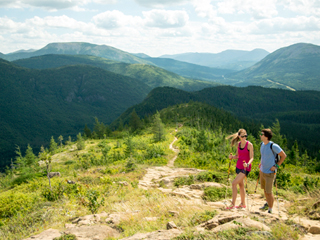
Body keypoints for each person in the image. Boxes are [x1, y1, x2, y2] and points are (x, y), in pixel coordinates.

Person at [259, 129, 287, 214]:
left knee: (269, 191)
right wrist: (261, 163)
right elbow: (263, 156)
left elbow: (283, 156)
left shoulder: (273, 146)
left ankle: (270, 209)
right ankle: (268, 203)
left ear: (266, 137)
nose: (260, 135)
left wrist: (276, 166)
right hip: (262, 171)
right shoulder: (262, 144)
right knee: (264, 189)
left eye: (262, 134)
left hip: (270, 173)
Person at [226, 129, 254, 209]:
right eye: (242, 136)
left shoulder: (249, 145)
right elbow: (237, 156)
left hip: (245, 168)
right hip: (238, 167)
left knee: (234, 183)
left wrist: (248, 164)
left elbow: (252, 157)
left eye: (245, 136)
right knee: (241, 185)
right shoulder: (238, 144)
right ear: (239, 136)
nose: (244, 137)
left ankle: (232, 204)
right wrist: (232, 157)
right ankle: (243, 203)